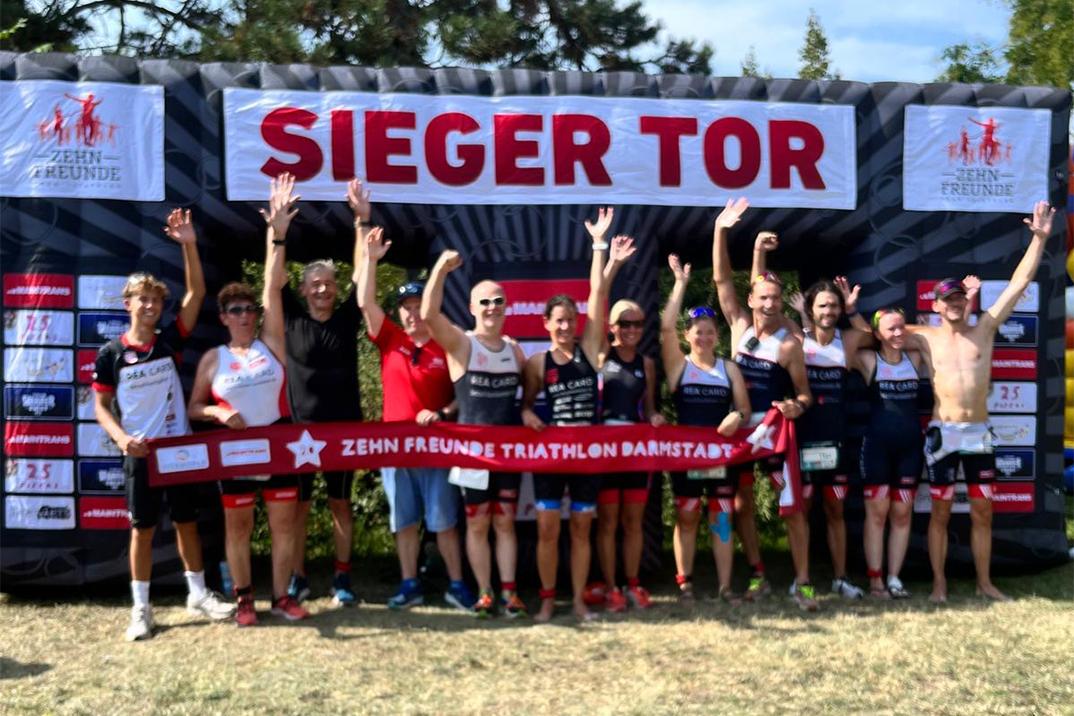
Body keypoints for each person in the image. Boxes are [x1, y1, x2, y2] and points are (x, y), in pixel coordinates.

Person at [93, 208, 233, 641]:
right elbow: (100, 406)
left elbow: (196, 292)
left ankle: (197, 593)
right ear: (128, 304)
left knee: (188, 523)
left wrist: (188, 243)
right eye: (144, 300)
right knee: (143, 530)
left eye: (156, 300)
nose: (151, 306)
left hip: (180, 449)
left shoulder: (169, 341)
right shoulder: (111, 353)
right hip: (141, 453)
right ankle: (141, 609)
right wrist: (121, 440)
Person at [908, 200, 1056, 603]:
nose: (955, 303)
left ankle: (984, 582)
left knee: (983, 511)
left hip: (978, 435)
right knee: (938, 513)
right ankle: (939, 584)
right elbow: (876, 333)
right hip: (942, 434)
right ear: (935, 306)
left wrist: (1039, 240)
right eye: (947, 299)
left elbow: (1017, 285)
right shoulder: (921, 335)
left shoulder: (985, 328)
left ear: (966, 302)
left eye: (960, 298)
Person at [520, 211, 632, 622]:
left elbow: (596, 293)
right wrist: (528, 414)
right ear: (546, 324)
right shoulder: (536, 362)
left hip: (588, 453)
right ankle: (549, 599)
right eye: (559, 320)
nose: (566, 325)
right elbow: (526, 404)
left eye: (571, 319)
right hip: (551, 454)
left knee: (582, 529)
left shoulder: (590, 350)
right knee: (549, 530)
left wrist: (599, 247)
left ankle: (581, 601)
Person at [358, 225, 475, 613]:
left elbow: (464, 401)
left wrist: (440, 413)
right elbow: (364, 302)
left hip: (437, 449)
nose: (410, 314)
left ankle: (457, 585)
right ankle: (410, 584)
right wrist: (372, 261)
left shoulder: (448, 342)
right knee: (403, 522)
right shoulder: (390, 338)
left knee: (444, 522)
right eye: (405, 308)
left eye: (417, 306)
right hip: (395, 451)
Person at [710, 197, 818, 611]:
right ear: (752, 300)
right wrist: (721, 229)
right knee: (740, 506)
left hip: (774, 431)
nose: (771, 304)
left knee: (792, 507)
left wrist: (798, 406)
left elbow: (805, 394)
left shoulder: (789, 345)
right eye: (764, 297)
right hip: (738, 431)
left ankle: (803, 581)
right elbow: (722, 280)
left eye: (777, 298)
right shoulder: (738, 326)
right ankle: (758, 573)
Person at [263, 173, 364, 606]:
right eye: (315, 284)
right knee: (299, 509)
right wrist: (277, 234)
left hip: (345, 428)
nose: (323, 289)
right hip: (300, 432)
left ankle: (342, 580)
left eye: (329, 284)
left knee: (341, 504)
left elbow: (365, 275)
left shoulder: (345, 317)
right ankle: (298, 578)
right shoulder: (292, 320)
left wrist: (362, 220)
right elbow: (270, 284)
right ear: (303, 291)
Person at [754, 236, 868, 600]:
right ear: (811, 309)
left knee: (835, 509)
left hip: (833, 440)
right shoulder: (795, 339)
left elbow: (870, 334)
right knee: (798, 509)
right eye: (823, 305)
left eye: (833, 306)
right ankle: (800, 577)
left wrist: (852, 309)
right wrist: (761, 254)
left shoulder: (846, 343)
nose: (829, 311)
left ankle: (840, 578)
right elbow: (762, 302)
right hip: (798, 440)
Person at [187, 282, 306, 624]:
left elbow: (273, 289)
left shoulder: (271, 345)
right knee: (238, 528)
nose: (244, 316)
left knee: (283, 526)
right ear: (224, 318)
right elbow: (194, 407)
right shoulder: (214, 358)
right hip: (236, 452)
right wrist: (217, 413)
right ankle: (245, 600)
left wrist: (276, 237)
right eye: (235, 311)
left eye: (249, 309)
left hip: (278, 445)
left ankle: (282, 597)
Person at [422, 250, 529, 618]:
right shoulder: (463, 344)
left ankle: (510, 593)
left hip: (508, 454)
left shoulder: (516, 351)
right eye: (485, 302)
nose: (492, 307)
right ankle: (485, 593)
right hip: (472, 456)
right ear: (472, 307)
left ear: (506, 307)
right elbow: (429, 316)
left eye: (499, 302)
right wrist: (439, 270)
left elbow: (527, 399)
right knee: (478, 522)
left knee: (505, 522)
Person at [661, 254, 751, 603]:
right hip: (686, 457)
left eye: (711, 332)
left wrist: (738, 417)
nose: (705, 338)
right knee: (686, 516)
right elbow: (665, 327)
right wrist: (680, 285)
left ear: (717, 336)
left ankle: (725, 585)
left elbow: (744, 408)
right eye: (698, 332)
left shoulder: (729, 370)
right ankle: (685, 583)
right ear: (688, 336)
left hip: (720, 458)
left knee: (721, 517)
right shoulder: (678, 367)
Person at [587, 296, 664, 612]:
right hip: (605, 451)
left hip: (636, 452)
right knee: (607, 522)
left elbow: (649, 409)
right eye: (624, 324)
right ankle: (611, 586)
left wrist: (656, 418)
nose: (631, 330)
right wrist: (608, 258)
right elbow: (595, 304)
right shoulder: (602, 355)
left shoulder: (646, 363)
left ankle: (632, 584)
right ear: (612, 327)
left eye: (637, 324)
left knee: (633, 521)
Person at [856, 308, 930, 599]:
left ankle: (894, 577)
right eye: (891, 329)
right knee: (877, 514)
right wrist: (853, 313)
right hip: (877, 447)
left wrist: (905, 328)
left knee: (901, 513)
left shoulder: (914, 358)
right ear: (877, 334)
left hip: (910, 448)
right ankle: (876, 580)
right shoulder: (868, 360)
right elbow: (855, 340)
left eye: (902, 328)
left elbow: (924, 339)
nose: (899, 333)